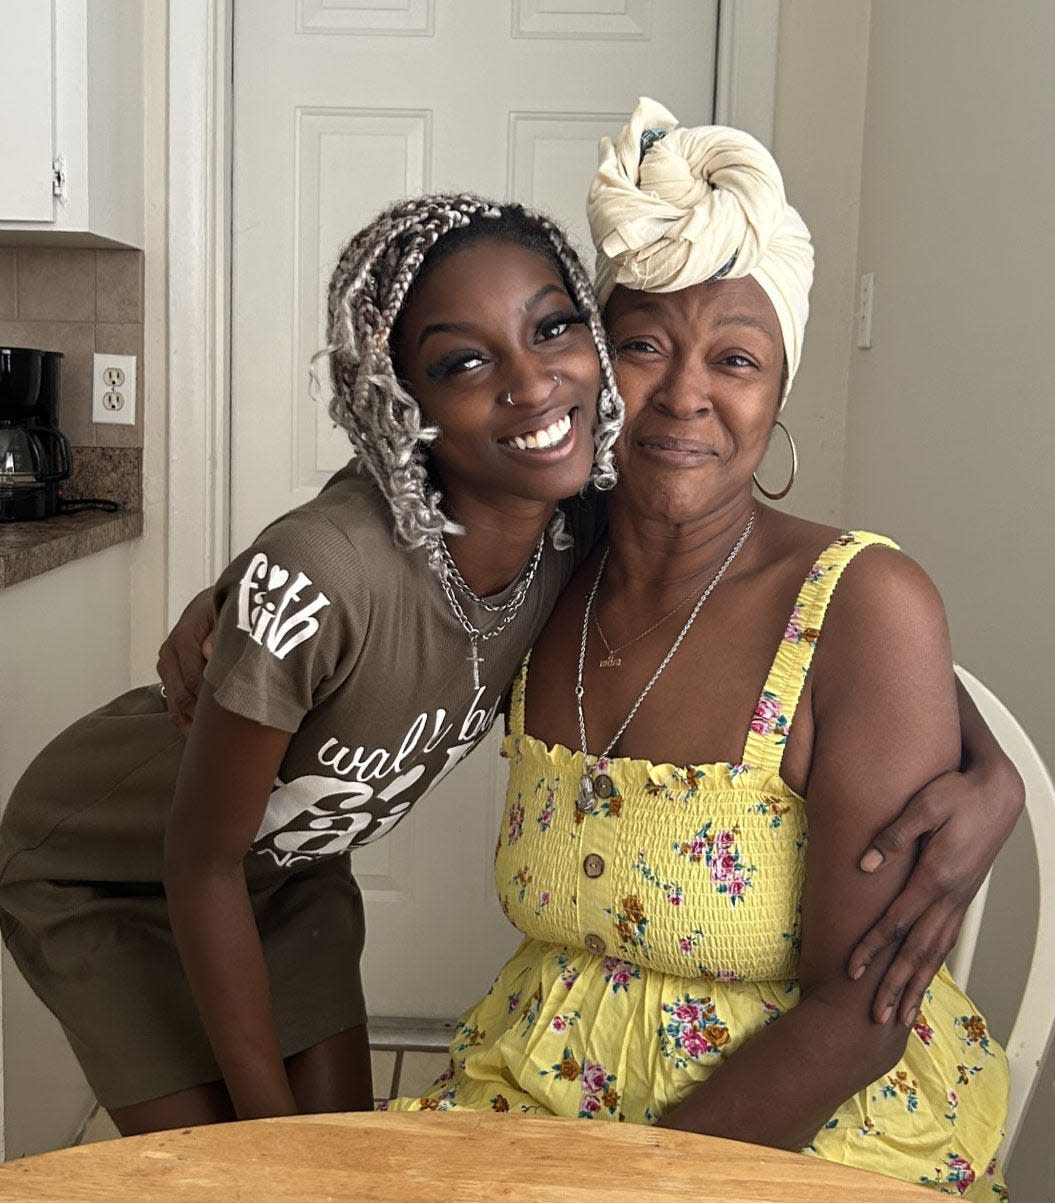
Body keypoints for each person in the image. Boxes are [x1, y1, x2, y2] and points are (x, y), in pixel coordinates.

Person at [385, 102, 1010, 1198]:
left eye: (735, 358)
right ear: (587, 367)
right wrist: (236, 606)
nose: (683, 395)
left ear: (777, 394)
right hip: (536, 1090)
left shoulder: (862, 604)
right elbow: (383, 515)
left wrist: (631, 1185)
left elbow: (859, 1018)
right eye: (640, 346)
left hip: (793, 1122)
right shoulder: (546, 563)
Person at [0, 194, 622, 1135]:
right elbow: (197, 858)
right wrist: (269, 1146)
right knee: (244, 1173)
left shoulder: (578, 531)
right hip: (110, 869)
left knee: (346, 1162)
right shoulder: (325, 572)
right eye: (464, 360)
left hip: (288, 873)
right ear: (401, 406)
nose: (533, 384)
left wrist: (937, 767)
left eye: (552, 327)